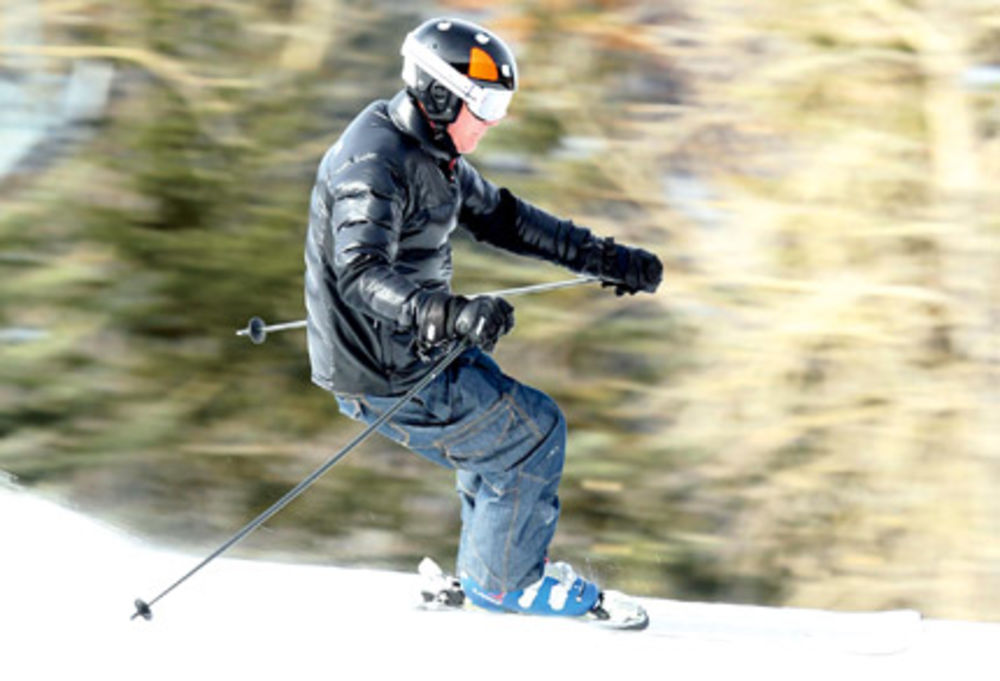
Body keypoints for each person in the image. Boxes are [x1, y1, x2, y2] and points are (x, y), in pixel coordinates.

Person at [304, 17, 662, 625]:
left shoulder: (430, 151)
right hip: (383, 367)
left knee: (502, 430)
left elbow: (502, 218)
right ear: (439, 96)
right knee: (531, 433)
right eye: (486, 103)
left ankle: (486, 569)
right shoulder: (374, 162)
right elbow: (359, 273)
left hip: (410, 346)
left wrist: (601, 258)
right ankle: (504, 582)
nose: (495, 119)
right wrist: (443, 311)